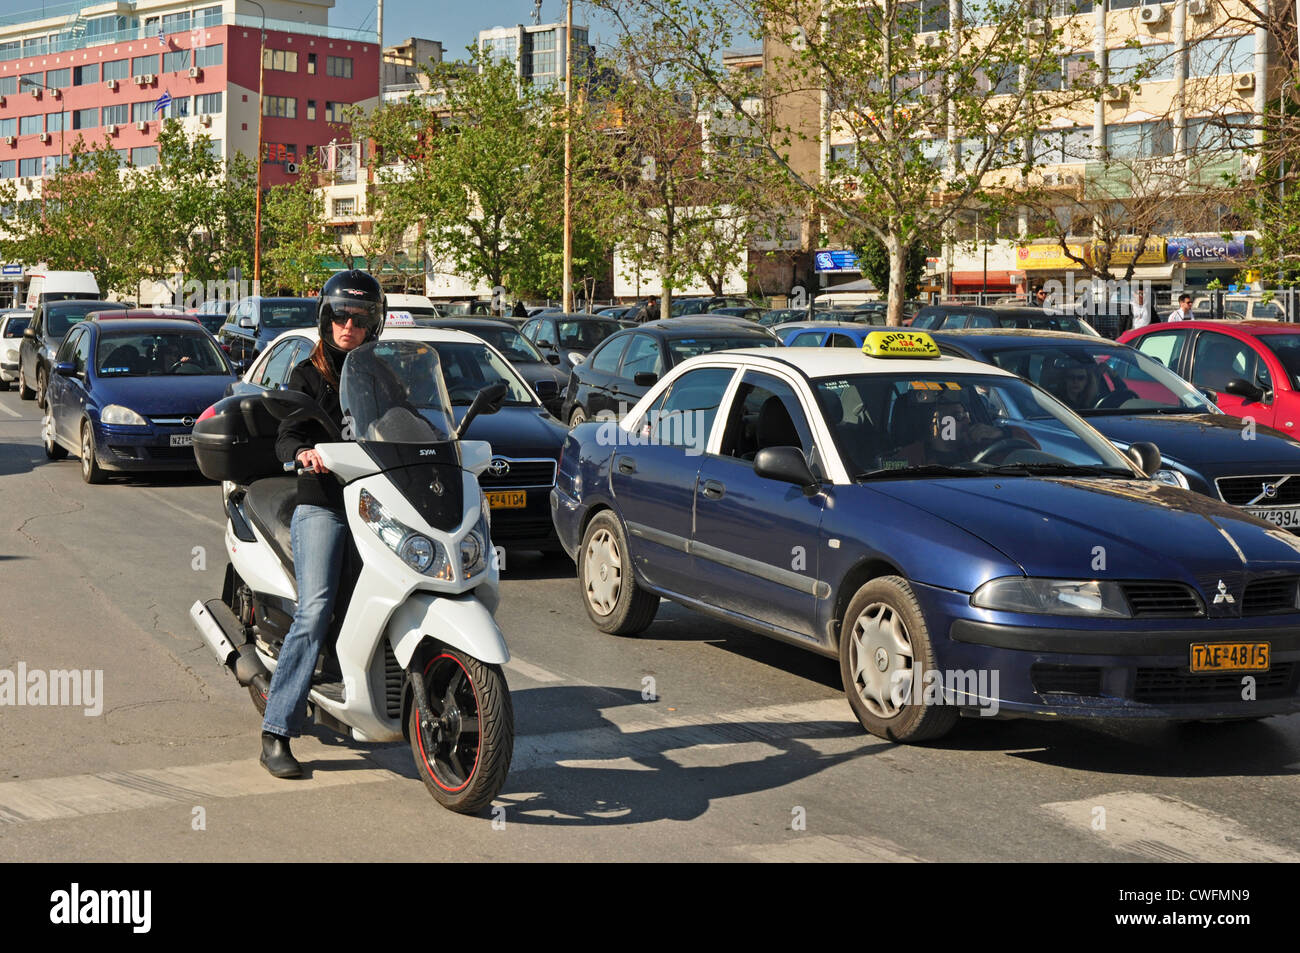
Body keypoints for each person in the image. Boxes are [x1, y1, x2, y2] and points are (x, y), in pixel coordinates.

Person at [259, 270, 386, 779]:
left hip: (375, 504)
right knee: (314, 611)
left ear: (372, 323)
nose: (347, 326)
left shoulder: (381, 376)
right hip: (323, 503)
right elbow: (285, 436)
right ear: (325, 317)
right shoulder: (307, 375)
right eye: (339, 315)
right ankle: (276, 730)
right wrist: (304, 453)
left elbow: (410, 421)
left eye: (358, 317)